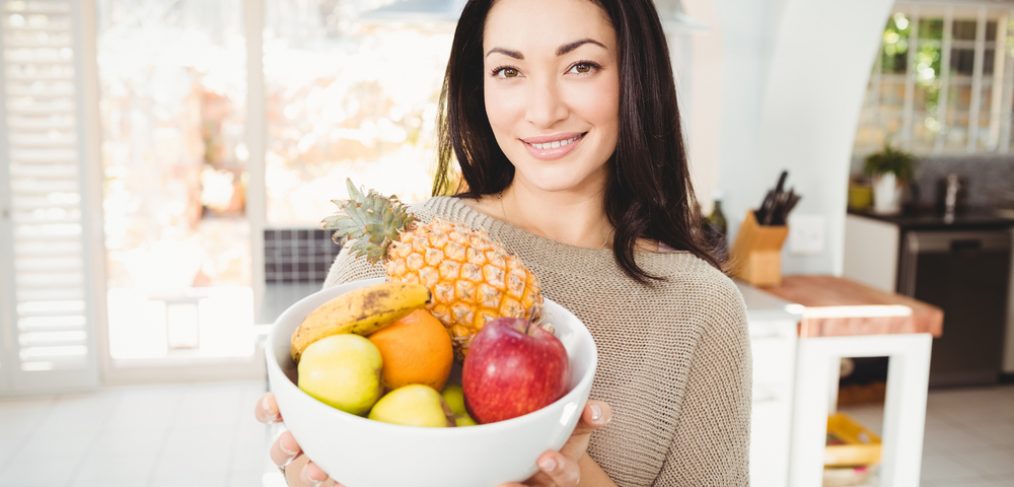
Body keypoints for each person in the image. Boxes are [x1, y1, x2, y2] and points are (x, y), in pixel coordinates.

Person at [255, 0, 752, 485]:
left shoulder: (702, 307)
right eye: (509, 72)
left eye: (580, 66)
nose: (543, 111)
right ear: (480, 87)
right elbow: (314, 431)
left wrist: (576, 480)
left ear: (635, 77)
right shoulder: (404, 246)